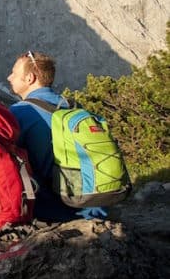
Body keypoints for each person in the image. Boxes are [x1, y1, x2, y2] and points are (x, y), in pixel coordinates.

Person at [7, 51, 106, 222]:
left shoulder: (19, 112)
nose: (9, 77)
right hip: (96, 205)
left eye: (14, 73)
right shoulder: (74, 107)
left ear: (30, 78)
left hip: (54, 212)